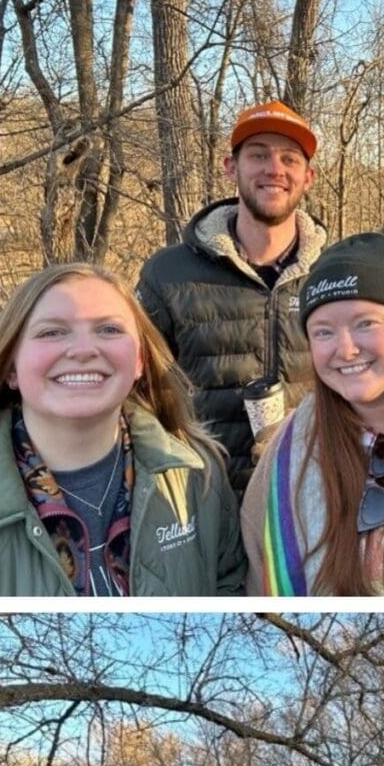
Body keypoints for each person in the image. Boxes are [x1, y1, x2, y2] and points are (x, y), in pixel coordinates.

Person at [0, 263, 245, 596]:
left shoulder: (197, 475)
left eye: (109, 329)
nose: (83, 350)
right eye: (52, 332)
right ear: (11, 367)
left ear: (140, 360)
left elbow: (232, 589)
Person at [242, 234, 384, 594]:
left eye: (365, 324)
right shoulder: (284, 460)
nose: (346, 349)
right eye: (324, 332)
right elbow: (260, 583)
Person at [136, 100, 328, 496]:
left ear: (308, 178)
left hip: (309, 496)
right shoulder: (168, 274)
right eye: (258, 155)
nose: (274, 169)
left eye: (289, 159)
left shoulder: (335, 275)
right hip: (202, 499)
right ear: (230, 168)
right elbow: (136, 393)